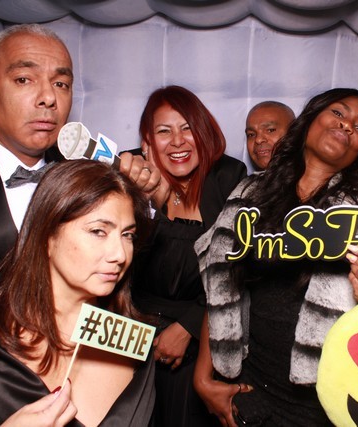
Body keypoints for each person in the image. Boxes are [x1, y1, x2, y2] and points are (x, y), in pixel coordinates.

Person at [0, 24, 157, 413]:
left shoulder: (92, 172)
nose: (48, 98)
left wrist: (146, 204)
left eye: (61, 84)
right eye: (24, 79)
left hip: (88, 387)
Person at [194, 88, 358, 426]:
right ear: (310, 120)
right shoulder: (251, 193)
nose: (347, 126)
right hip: (248, 383)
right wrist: (203, 378)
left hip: (325, 396)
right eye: (338, 113)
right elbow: (220, 284)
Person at [0, 159, 155, 425]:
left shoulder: (133, 343)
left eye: (128, 235)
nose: (120, 255)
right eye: (98, 231)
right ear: (46, 235)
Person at [132, 85, 247, 426]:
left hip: (203, 331)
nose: (178, 142)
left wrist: (188, 327)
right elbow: (116, 263)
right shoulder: (131, 176)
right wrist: (149, 202)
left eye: (187, 128)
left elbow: (235, 267)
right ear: (147, 142)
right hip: (134, 329)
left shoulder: (229, 176)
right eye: (164, 132)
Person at [245, 101, 295, 170]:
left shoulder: (308, 176)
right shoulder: (244, 177)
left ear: (295, 132)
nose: (258, 140)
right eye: (251, 134)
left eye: (270, 130)